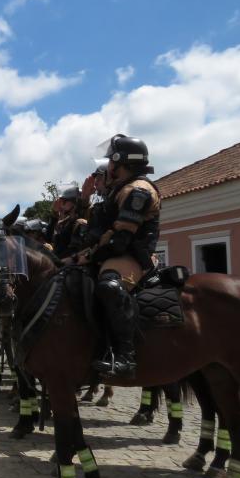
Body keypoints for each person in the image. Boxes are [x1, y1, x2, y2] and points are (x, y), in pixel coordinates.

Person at [80, 134, 160, 379]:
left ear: (121, 163)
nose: (108, 167)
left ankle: (126, 357)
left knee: (109, 286)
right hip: (114, 254)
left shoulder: (137, 190)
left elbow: (120, 241)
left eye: (111, 162)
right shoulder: (120, 189)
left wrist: (90, 256)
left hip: (131, 256)